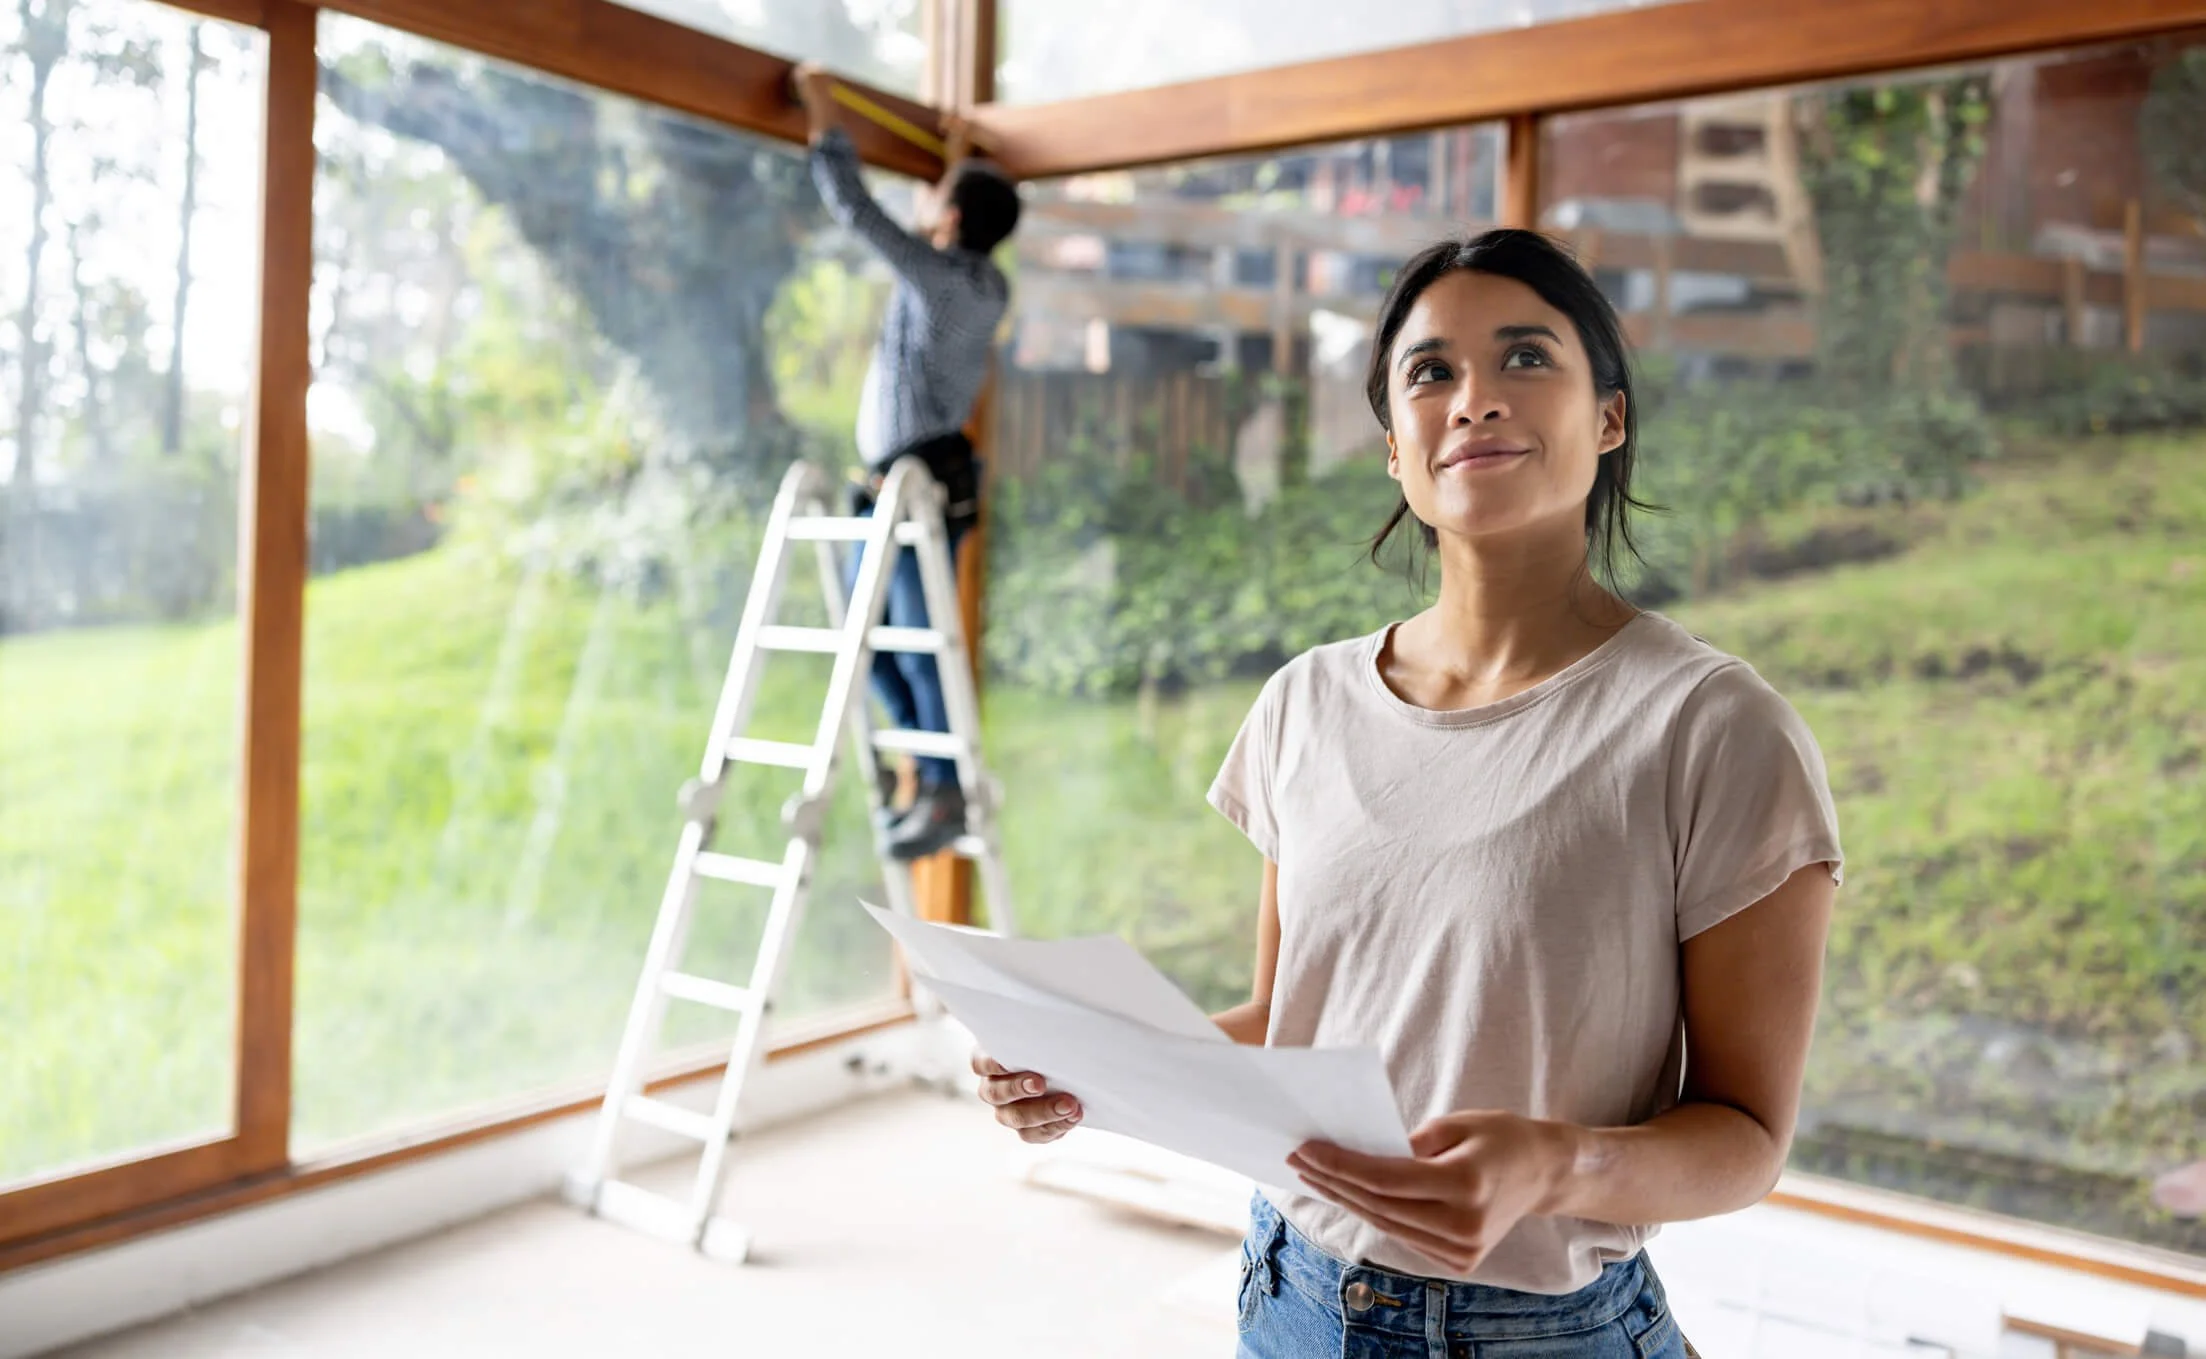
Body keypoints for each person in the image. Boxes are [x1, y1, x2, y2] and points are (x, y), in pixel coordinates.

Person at [969, 229, 1843, 1358]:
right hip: (1290, 1295)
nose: (1474, 398)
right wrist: (1087, 1062)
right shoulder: (1304, 703)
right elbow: (1294, 1027)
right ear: (1394, 447)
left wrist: (1555, 1164)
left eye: (1526, 358)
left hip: (1543, 1332)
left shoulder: (1713, 728)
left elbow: (1746, 1138)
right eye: (1431, 372)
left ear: (1610, 418)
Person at [792, 64, 1021, 861]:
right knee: (877, 645)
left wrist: (823, 114)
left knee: (915, 642)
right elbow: (938, 227)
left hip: (915, 485)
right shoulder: (986, 283)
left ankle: (940, 785)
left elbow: (859, 212)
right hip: (908, 482)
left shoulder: (940, 277)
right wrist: (955, 156)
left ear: (951, 217)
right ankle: (928, 779)